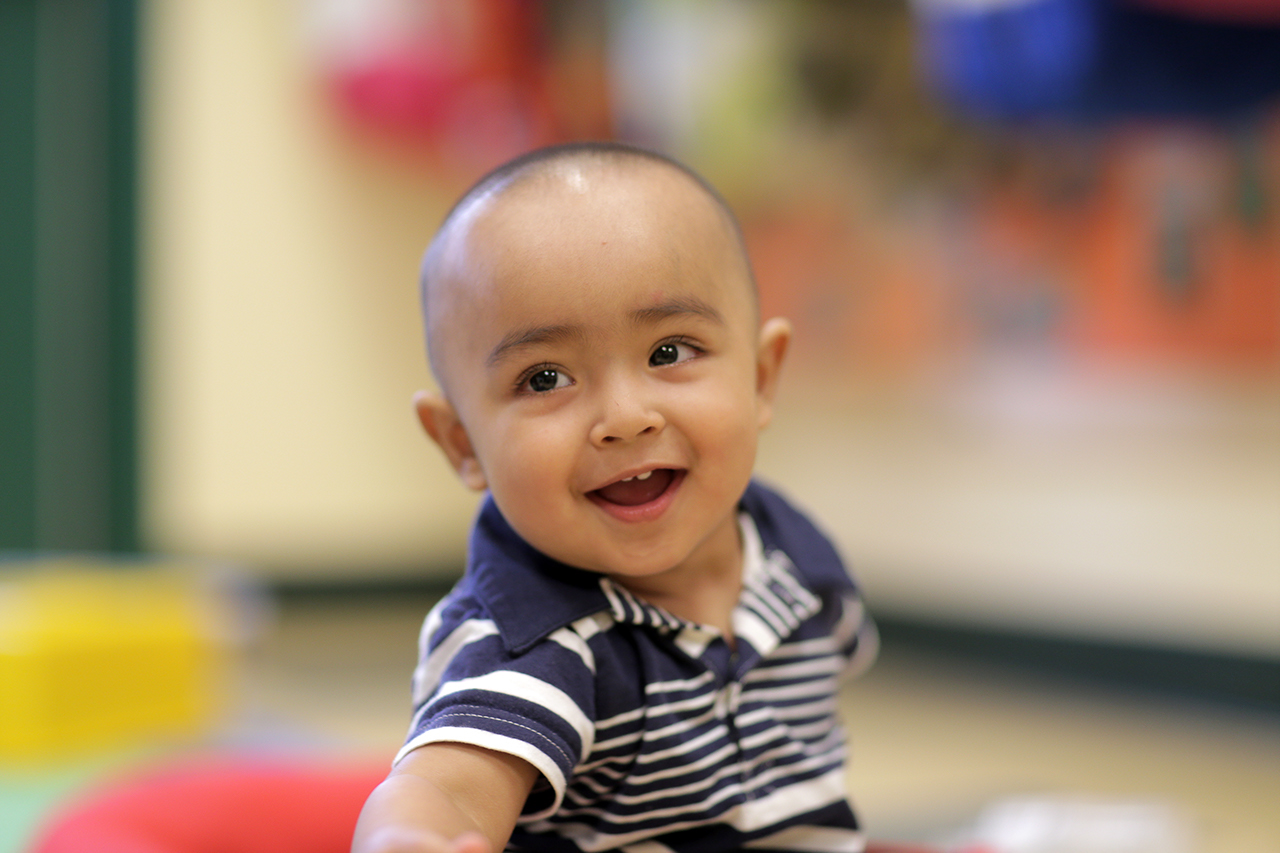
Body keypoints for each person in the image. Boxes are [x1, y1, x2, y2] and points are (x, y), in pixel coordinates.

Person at [352, 141, 878, 853]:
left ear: (760, 378)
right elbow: (445, 788)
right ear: (463, 444)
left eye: (669, 351)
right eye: (544, 378)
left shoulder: (794, 553)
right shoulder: (532, 642)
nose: (626, 416)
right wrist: (410, 837)